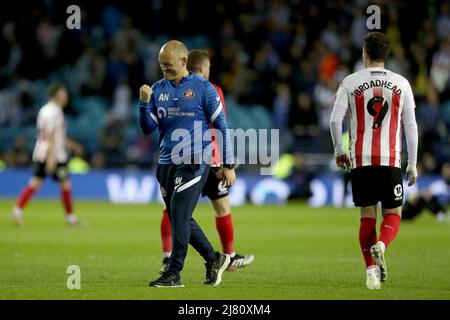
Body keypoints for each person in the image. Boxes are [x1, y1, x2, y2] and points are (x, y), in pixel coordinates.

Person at [138, 40, 236, 288]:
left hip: (195, 160)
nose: (164, 69)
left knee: (180, 214)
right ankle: (214, 259)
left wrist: (229, 165)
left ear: (183, 61)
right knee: (178, 216)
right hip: (165, 163)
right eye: (161, 65)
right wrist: (143, 102)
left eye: (168, 65)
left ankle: (174, 273)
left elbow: (221, 127)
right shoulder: (158, 89)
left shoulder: (204, 89)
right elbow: (148, 128)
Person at [329, 32, 418, 290]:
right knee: (393, 214)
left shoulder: (350, 81)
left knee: (367, 216)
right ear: (386, 55)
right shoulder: (401, 83)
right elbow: (411, 126)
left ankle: (370, 271)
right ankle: (382, 244)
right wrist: (412, 162)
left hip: (361, 160)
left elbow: (335, 120)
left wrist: (339, 150)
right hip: (390, 160)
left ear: (364, 54)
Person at [159, 49, 254, 272]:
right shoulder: (212, 90)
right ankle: (228, 257)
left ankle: (167, 256)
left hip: (179, 158)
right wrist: (225, 162)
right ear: (203, 68)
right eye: (209, 67)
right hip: (210, 160)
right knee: (221, 207)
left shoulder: (172, 88)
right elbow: (219, 126)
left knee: (172, 209)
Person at [12, 83, 85, 226]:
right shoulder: (53, 112)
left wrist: (74, 146)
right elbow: (50, 136)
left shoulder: (48, 110)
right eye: (64, 93)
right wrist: (51, 158)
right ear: (57, 94)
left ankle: (17, 212)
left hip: (45, 152)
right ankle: (70, 218)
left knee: (38, 183)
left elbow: (58, 137)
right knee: (62, 184)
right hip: (52, 154)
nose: (66, 96)